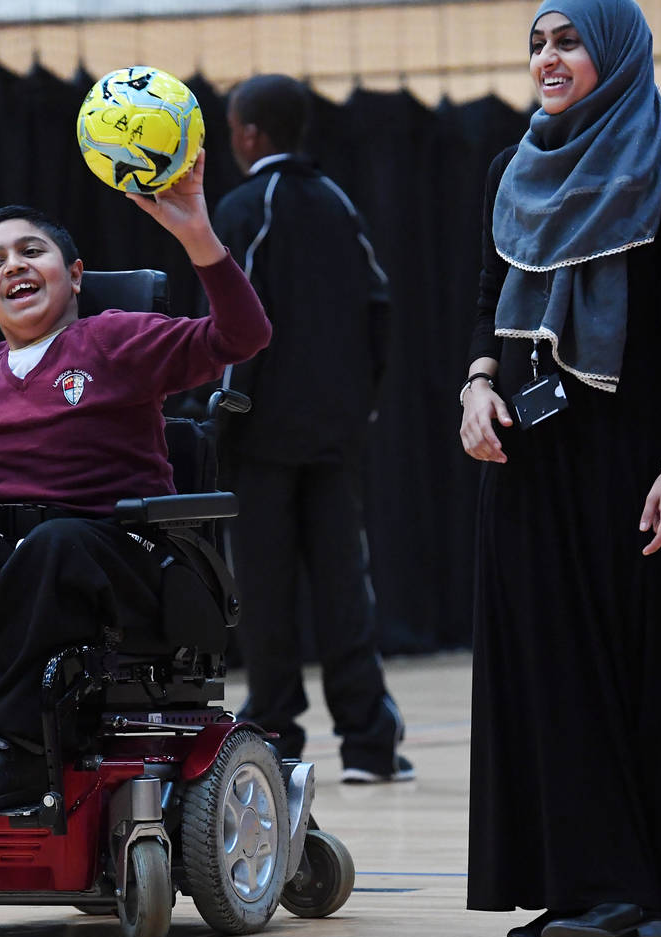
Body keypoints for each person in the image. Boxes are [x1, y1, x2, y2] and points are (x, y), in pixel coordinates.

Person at [0, 152, 272, 814]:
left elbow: (243, 335)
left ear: (75, 275)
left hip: (117, 555)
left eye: (32, 251)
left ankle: (16, 747)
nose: (13, 265)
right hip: (16, 558)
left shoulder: (116, 340)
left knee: (54, 542)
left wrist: (197, 232)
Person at [458, 0, 661, 937]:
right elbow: (487, 301)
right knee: (540, 667)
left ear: (614, 53)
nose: (548, 56)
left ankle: (629, 891)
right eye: (538, 41)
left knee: (621, 664)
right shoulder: (509, 168)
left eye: (568, 38)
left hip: (630, 458)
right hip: (525, 453)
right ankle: (563, 881)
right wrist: (474, 389)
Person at [211, 73, 412, 785]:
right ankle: (369, 745)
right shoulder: (339, 203)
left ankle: (274, 737)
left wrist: (220, 423)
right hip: (335, 437)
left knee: (265, 594)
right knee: (344, 587)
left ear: (249, 135)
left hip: (261, 439)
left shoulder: (244, 208)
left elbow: (236, 328)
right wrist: (363, 402)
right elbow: (379, 305)